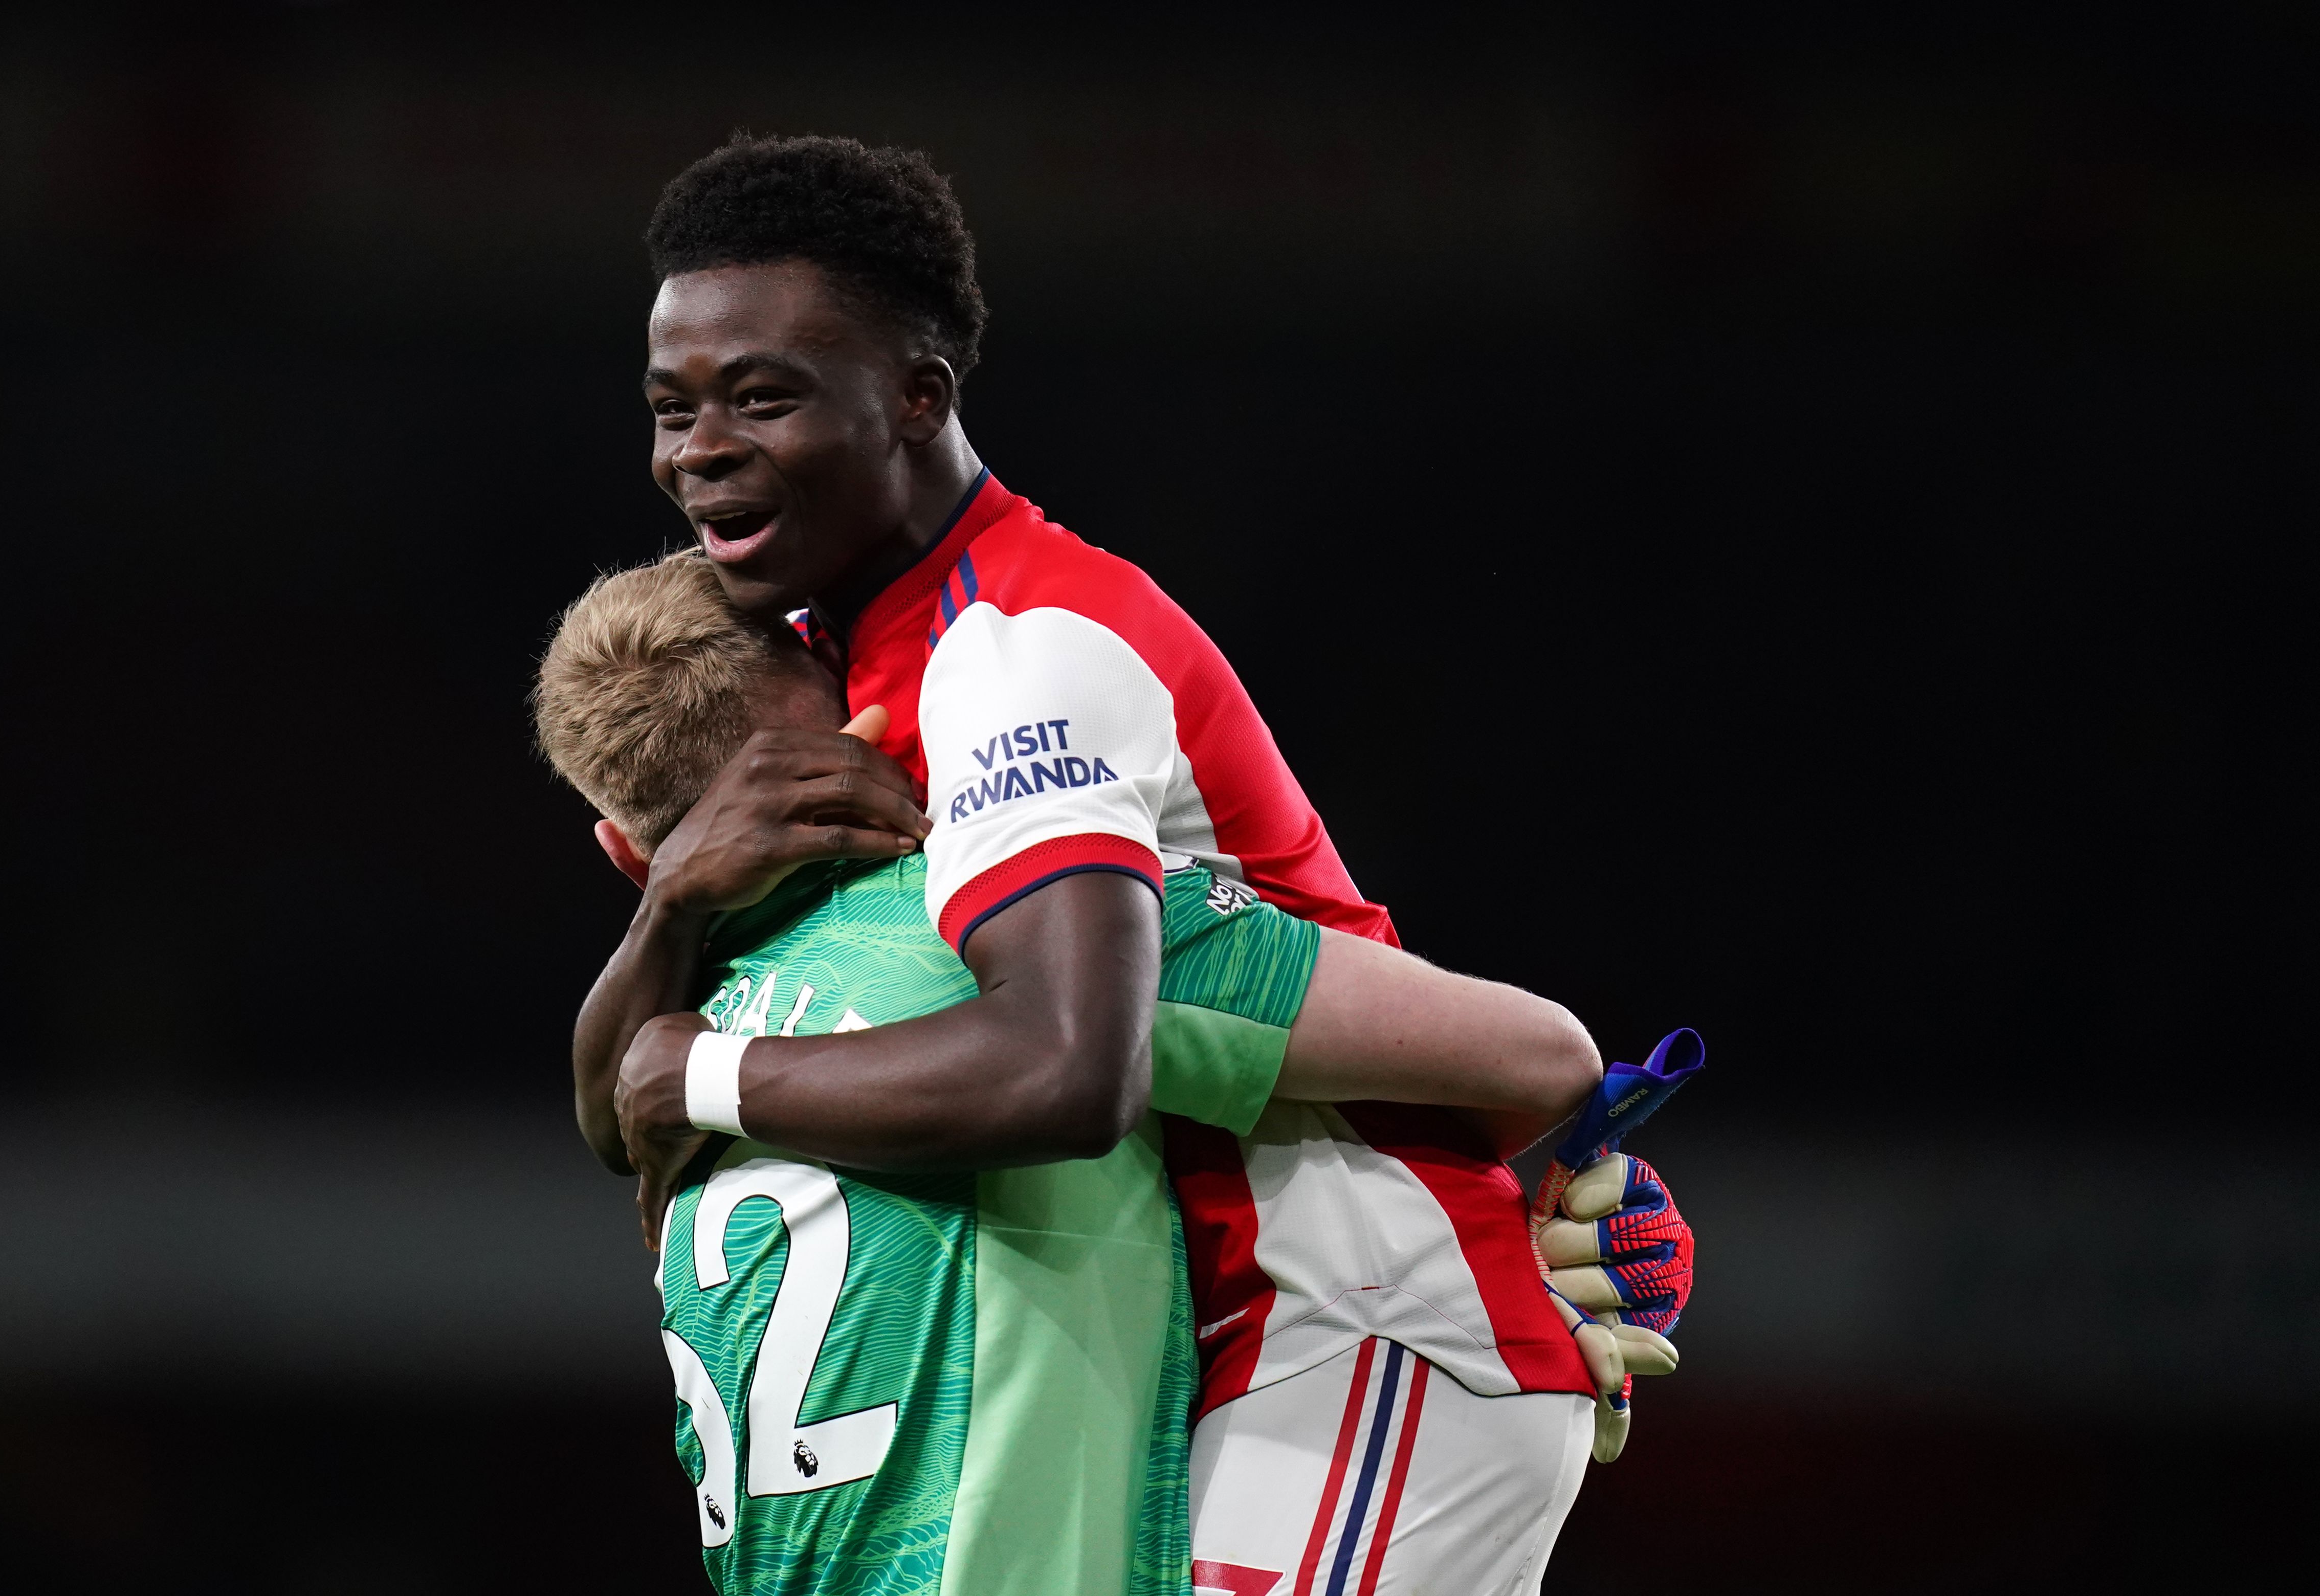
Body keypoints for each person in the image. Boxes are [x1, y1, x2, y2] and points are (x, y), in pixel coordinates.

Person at [574, 135, 1697, 1593]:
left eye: (762, 395)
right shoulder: (833, 668)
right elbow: (625, 1105)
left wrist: (703, 1072)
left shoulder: (1019, 656)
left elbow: (1068, 1066)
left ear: (919, 397)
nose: (700, 449)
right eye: (673, 408)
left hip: (1353, 1316)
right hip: (1226, 1343)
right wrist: (672, 927)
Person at [535, 551, 1625, 1594]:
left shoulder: (666, 1057)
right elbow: (1541, 1058)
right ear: (865, 728)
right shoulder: (1033, 924)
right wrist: (1529, 1210)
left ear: (626, 854)